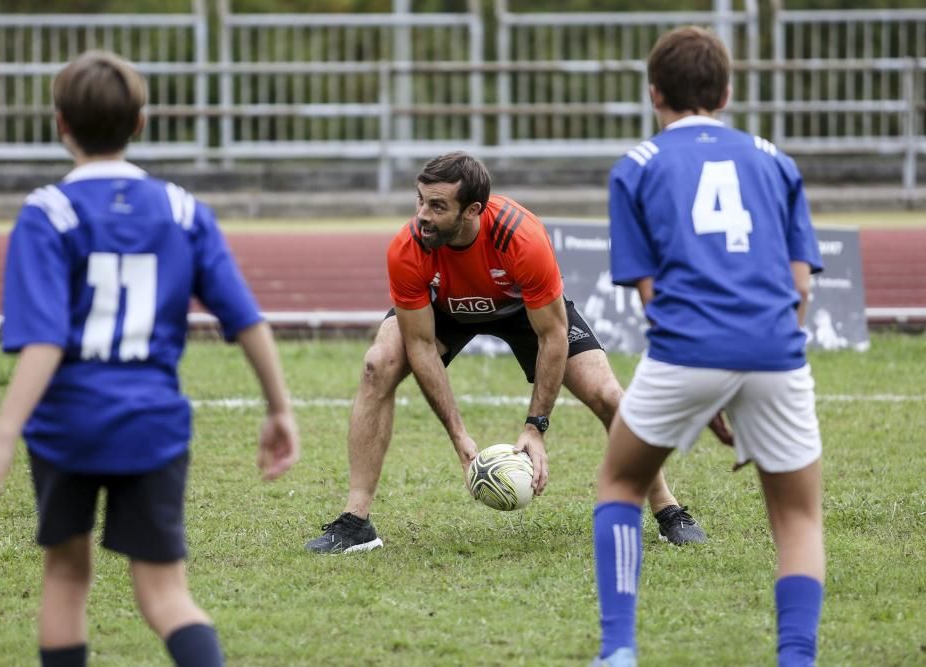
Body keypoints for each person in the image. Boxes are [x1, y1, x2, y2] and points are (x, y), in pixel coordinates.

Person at [0, 51, 300, 667]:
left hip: (66, 426)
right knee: (167, 595)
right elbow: (246, 319)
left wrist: (1, 439)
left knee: (66, 577)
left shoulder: (47, 214)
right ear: (141, 123)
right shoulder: (181, 210)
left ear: (59, 122)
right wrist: (280, 408)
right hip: (152, 423)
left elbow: (44, 340)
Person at [305, 151, 726, 554]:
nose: (422, 216)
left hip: (523, 310)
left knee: (608, 396)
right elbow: (419, 343)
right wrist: (459, 436)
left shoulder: (520, 236)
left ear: (473, 210)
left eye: (437, 206)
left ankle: (667, 508)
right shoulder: (410, 245)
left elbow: (553, 335)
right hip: (445, 306)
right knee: (378, 365)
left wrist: (535, 427)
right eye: (420, 200)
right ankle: (355, 522)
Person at [591, 27, 824, 667]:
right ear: (725, 93)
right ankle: (797, 659)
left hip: (686, 348)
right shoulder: (775, 159)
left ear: (653, 93)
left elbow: (650, 294)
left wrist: (705, 387)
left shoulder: (635, 167)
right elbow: (800, 285)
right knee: (798, 518)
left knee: (619, 482)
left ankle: (618, 651)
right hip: (776, 349)